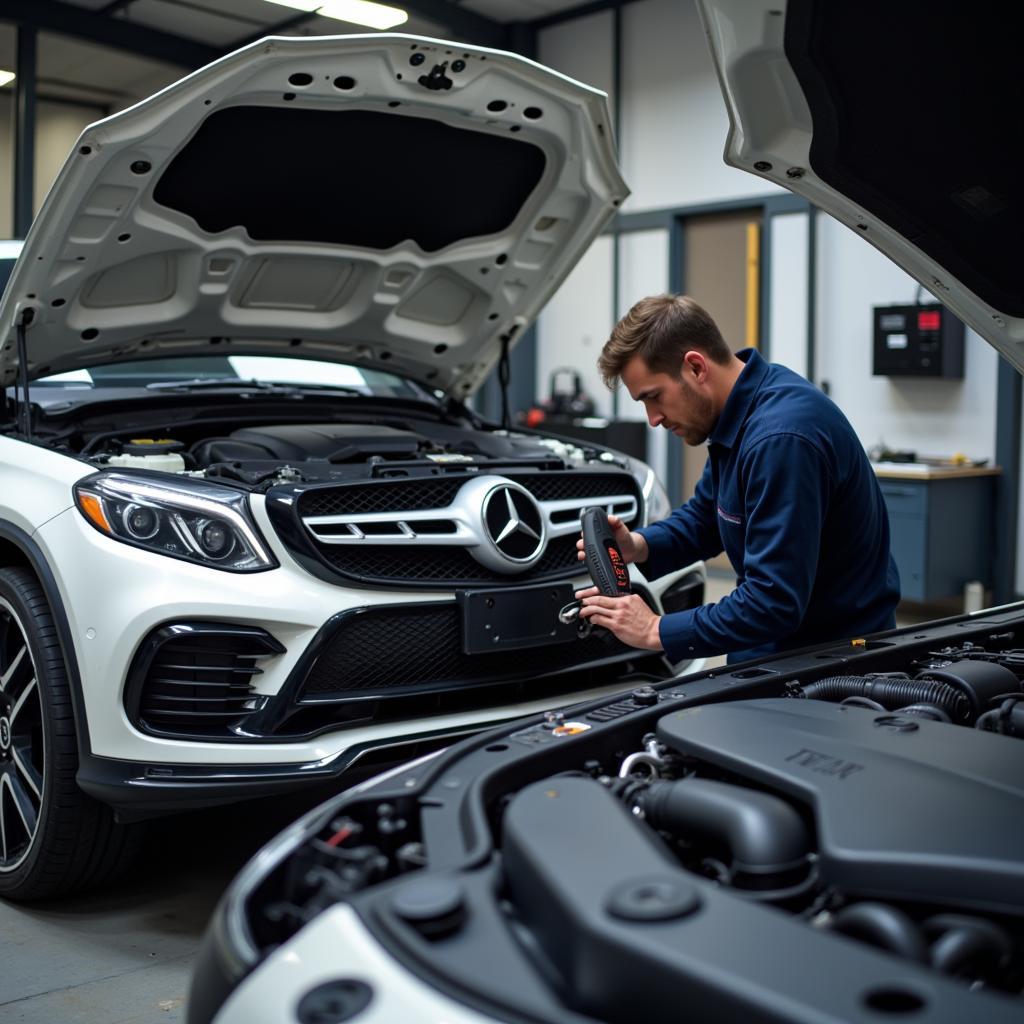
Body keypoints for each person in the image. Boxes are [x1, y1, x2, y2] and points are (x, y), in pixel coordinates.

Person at [576, 293, 900, 663]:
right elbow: (707, 516)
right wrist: (639, 545)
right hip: (779, 647)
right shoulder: (743, 411)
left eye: (654, 397)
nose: (653, 418)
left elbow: (772, 603)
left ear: (696, 368)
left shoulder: (780, 439)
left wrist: (655, 629)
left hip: (830, 662)